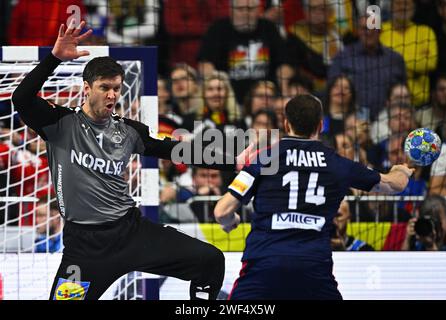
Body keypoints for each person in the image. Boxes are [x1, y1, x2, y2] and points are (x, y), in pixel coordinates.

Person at [12, 20, 254, 300]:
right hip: (85, 249)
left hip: (133, 234)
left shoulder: (128, 131)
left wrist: (233, 162)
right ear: (87, 88)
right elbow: (22, 98)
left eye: (117, 87)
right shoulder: (60, 123)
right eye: (105, 87)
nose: (112, 94)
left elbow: (177, 150)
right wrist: (54, 58)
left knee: (210, 261)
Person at [214, 94, 413, 299]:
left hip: (264, 263)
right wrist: (403, 170)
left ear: (286, 123)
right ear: (320, 126)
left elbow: (222, 211)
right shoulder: (337, 163)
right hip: (312, 267)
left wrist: (232, 220)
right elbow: (394, 185)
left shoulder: (264, 157)